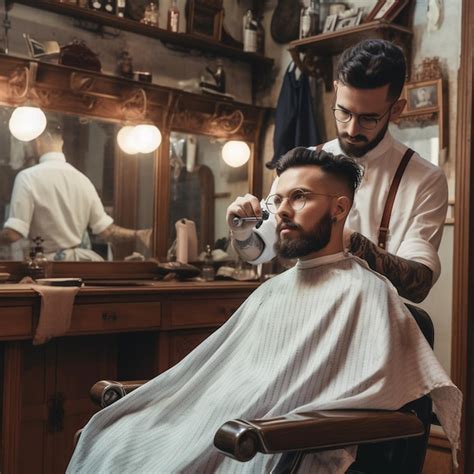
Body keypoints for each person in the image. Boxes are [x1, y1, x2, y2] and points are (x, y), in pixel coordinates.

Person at [68, 148, 460, 473]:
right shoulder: (273, 290)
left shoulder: (366, 293)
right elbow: (224, 379)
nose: (282, 211)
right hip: (226, 423)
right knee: (115, 437)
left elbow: (380, 399)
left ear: (340, 208)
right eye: (277, 200)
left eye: (300, 197)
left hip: (264, 437)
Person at [226, 39, 448, 303]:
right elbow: (260, 251)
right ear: (335, 91)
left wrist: (347, 240)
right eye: (344, 112)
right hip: (304, 311)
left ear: (396, 110)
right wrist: (241, 232)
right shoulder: (301, 166)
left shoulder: (425, 180)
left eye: (368, 118)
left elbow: (418, 284)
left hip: (371, 323)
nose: (352, 129)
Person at [0, 120, 150, 261]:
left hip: (44, 268)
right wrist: (138, 234)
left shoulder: (27, 177)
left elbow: (13, 234)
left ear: (37, 142)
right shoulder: (83, 180)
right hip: (77, 267)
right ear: (62, 143)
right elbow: (107, 232)